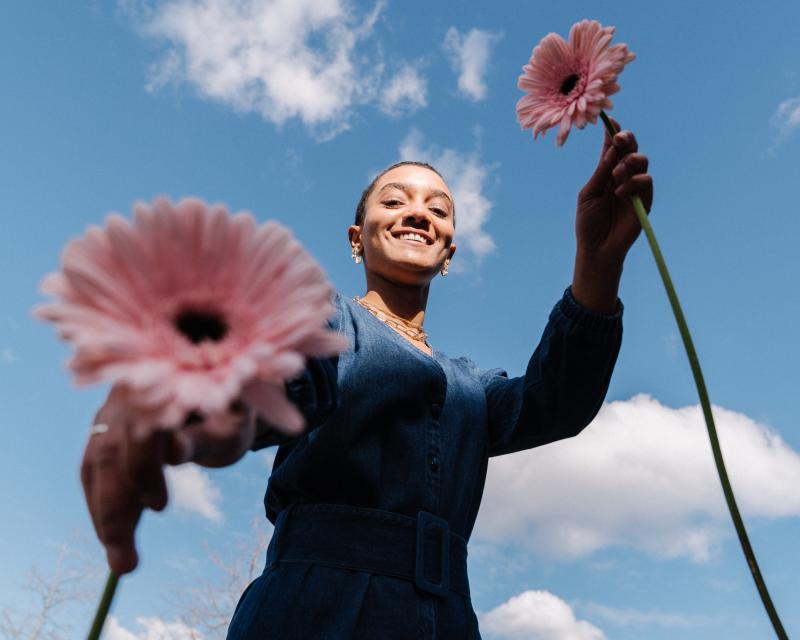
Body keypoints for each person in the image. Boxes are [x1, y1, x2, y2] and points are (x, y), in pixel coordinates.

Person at [81, 122, 652, 639]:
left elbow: (554, 402)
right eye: (395, 200)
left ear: (449, 252)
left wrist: (597, 265)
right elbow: (276, 368)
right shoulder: (324, 319)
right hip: (315, 609)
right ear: (357, 238)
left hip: (448, 621)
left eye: (439, 208)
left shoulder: (470, 388)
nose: (418, 213)